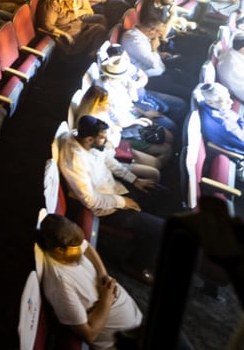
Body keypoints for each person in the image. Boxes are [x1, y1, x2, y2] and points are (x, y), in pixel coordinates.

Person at [58, 116, 162, 279]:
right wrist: (123, 202)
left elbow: (109, 161)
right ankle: (135, 265)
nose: (106, 141)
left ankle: (145, 239)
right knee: (159, 228)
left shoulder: (86, 140)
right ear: (89, 139)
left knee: (160, 193)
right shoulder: (75, 160)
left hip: (113, 189)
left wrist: (134, 180)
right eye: (103, 137)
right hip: (104, 208)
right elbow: (90, 200)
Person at [36, 213, 143, 350]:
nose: (80, 250)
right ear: (59, 250)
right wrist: (106, 300)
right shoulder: (61, 283)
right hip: (118, 344)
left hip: (136, 322)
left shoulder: (69, 244)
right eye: (76, 248)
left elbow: (86, 247)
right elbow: (89, 334)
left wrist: (102, 273)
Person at [37, 0, 108, 58]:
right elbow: (47, 26)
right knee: (99, 29)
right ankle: (93, 55)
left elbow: (74, 14)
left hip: (77, 27)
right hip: (68, 33)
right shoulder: (51, 5)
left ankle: (95, 53)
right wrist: (65, 35)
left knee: (100, 28)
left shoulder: (66, 1)